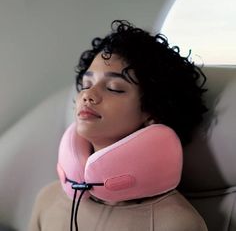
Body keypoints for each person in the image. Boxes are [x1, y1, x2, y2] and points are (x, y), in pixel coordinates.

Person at [29, 20, 208, 231]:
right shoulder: (47, 200)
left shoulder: (175, 223)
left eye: (114, 88)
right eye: (86, 85)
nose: (88, 95)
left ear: (153, 113)